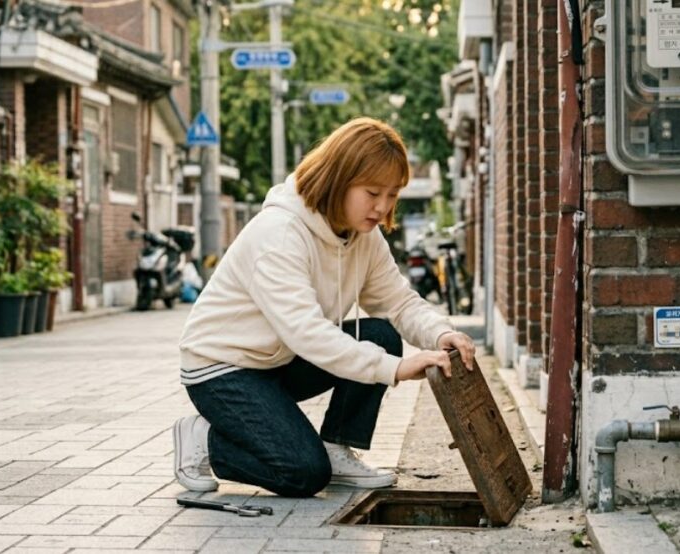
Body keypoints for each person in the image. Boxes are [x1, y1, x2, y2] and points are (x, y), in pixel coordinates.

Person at [174, 117, 477, 498]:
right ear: (339, 179)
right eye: (372, 193)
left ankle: (336, 447)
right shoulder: (280, 234)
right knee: (303, 473)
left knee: (380, 334)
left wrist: (441, 332)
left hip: (278, 361)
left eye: (392, 195)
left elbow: (398, 301)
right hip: (222, 369)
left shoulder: (362, 235)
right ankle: (205, 438)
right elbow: (308, 333)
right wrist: (395, 369)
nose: (383, 208)